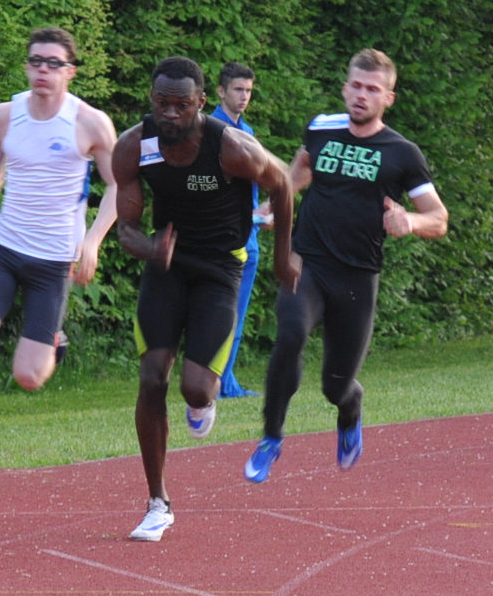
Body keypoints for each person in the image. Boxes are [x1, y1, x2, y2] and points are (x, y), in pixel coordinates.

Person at [108, 57, 293, 541]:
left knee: (196, 388)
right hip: (166, 266)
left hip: (219, 269)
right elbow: (126, 227)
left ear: (201, 103)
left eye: (181, 105)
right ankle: (157, 502)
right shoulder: (134, 146)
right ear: (151, 100)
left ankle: (202, 402)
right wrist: (150, 248)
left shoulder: (230, 147)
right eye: (161, 104)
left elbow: (283, 184)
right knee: (152, 377)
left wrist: (281, 260)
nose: (170, 114)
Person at [246, 49, 446, 483]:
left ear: (388, 99)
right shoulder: (321, 128)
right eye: (355, 85)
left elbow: (439, 217)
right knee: (290, 335)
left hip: (357, 277)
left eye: (372, 89)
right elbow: (299, 173)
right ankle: (271, 436)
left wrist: (410, 221)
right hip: (307, 262)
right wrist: (273, 207)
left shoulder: (402, 153)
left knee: (335, 385)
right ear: (344, 88)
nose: (361, 95)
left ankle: (350, 409)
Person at [0, 28, 119, 498]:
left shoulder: (91, 123)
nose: (43, 70)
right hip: (4, 247)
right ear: (26, 66)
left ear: (70, 71)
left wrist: (93, 241)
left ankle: (53, 338)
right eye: (36, 61)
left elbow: (119, 187)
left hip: (55, 259)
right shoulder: (5, 115)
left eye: (53, 63)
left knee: (29, 376)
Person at [210, 61, 272, 398]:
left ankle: (226, 381)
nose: (244, 96)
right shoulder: (211, 132)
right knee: (220, 314)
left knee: (237, 315)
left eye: (248, 90)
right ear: (221, 91)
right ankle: (214, 382)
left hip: (249, 238)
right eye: (238, 89)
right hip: (224, 240)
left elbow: (249, 190)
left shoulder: (247, 131)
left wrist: (260, 215)